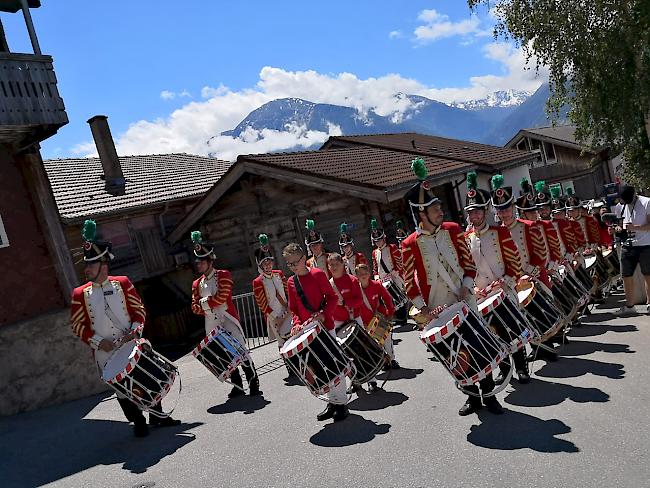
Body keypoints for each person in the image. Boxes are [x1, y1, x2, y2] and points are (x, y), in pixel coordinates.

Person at [401, 158, 503, 416]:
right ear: (422, 214)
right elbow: (407, 281)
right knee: (455, 352)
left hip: (464, 297)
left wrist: (466, 286)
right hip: (437, 306)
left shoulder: (453, 229)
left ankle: (489, 393)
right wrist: (423, 308)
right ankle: (471, 397)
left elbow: (469, 263)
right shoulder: (409, 244)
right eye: (435, 208)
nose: (440, 211)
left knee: (478, 343)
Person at [70, 220, 180, 437]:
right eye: (87, 265)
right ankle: (138, 420)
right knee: (122, 389)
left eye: (91, 265)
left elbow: (139, 310)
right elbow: (77, 325)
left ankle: (157, 416)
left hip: (130, 342)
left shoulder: (122, 283)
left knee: (146, 376)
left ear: (103, 264)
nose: (87, 269)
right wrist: (97, 341)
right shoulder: (79, 294)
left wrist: (136, 329)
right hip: (105, 351)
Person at [463, 172, 530, 384]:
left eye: (477, 212)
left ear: (485, 211)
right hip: (482, 295)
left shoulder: (499, 232)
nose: (474, 216)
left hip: (503, 290)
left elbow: (515, 262)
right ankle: (504, 368)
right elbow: (465, 269)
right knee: (493, 334)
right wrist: (473, 289)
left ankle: (521, 367)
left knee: (513, 330)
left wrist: (507, 280)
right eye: (470, 213)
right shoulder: (465, 239)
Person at [491, 175, 561, 361]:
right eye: (500, 210)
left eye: (506, 209)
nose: (504, 214)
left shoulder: (528, 226)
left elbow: (540, 253)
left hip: (531, 277)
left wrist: (530, 273)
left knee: (538, 313)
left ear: (513, 208)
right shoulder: (496, 232)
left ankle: (548, 348)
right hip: (511, 280)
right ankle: (535, 348)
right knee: (521, 318)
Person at [190, 231, 261, 398]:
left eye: (201, 262)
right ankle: (237, 385)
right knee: (225, 354)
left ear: (209, 262)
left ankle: (253, 382)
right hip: (211, 323)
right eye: (197, 262)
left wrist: (204, 303)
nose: (198, 265)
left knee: (241, 351)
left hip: (227, 319)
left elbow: (222, 298)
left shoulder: (223, 275)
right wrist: (208, 302)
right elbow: (194, 308)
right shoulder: (196, 283)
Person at [283, 243, 349, 421]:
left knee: (334, 363)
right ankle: (332, 402)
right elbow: (294, 308)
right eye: (289, 264)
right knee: (320, 366)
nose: (292, 267)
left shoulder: (318, 274)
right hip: (306, 332)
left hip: (325, 327)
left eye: (294, 262)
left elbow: (333, 298)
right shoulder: (291, 282)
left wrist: (323, 315)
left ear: (304, 258)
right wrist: (296, 324)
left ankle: (341, 403)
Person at [356, 262, 397, 392]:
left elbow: (387, 299)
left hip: (379, 320)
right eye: (360, 274)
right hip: (364, 324)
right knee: (368, 352)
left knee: (387, 342)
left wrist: (390, 313)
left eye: (365, 273)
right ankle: (371, 381)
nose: (363, 276)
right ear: (356, 276)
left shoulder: (376, 285)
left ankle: (390, 360)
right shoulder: (356, 289)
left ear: (369, 273)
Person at [613, 185, 650, 316]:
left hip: (646, 244)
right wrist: (618, 229)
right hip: (628, 245)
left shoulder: (646, 202)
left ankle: (649, 303)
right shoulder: (620, 206)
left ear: (634, 194)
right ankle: (630, 306)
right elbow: (620, 224)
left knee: (648, 275)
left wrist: (635, 227)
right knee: (626, 275)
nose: (626, 203)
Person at [251, 234, 291, 349]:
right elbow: (262, 304)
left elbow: (286, 291)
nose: (268, 265)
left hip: (287, 310)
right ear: (261, 265)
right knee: (282, 343)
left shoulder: (279, 274)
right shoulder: (258, 282)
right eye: (265, 263)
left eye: (269, 262)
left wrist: (289, 307)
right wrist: (276, 317)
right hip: (274, 316)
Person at [371, 217, 408, 327]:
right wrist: (376, 277)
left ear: (383, 238)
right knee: (388, 299)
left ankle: (402, 317)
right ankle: (394, 316)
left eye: (379, 239)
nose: (378, 242)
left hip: (393, 276)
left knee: (398, 296)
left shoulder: (392, 247)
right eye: (376, 240)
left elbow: (399, 263)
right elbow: (375, 266)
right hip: (383, 279)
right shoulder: (374, 252)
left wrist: (395, 273)